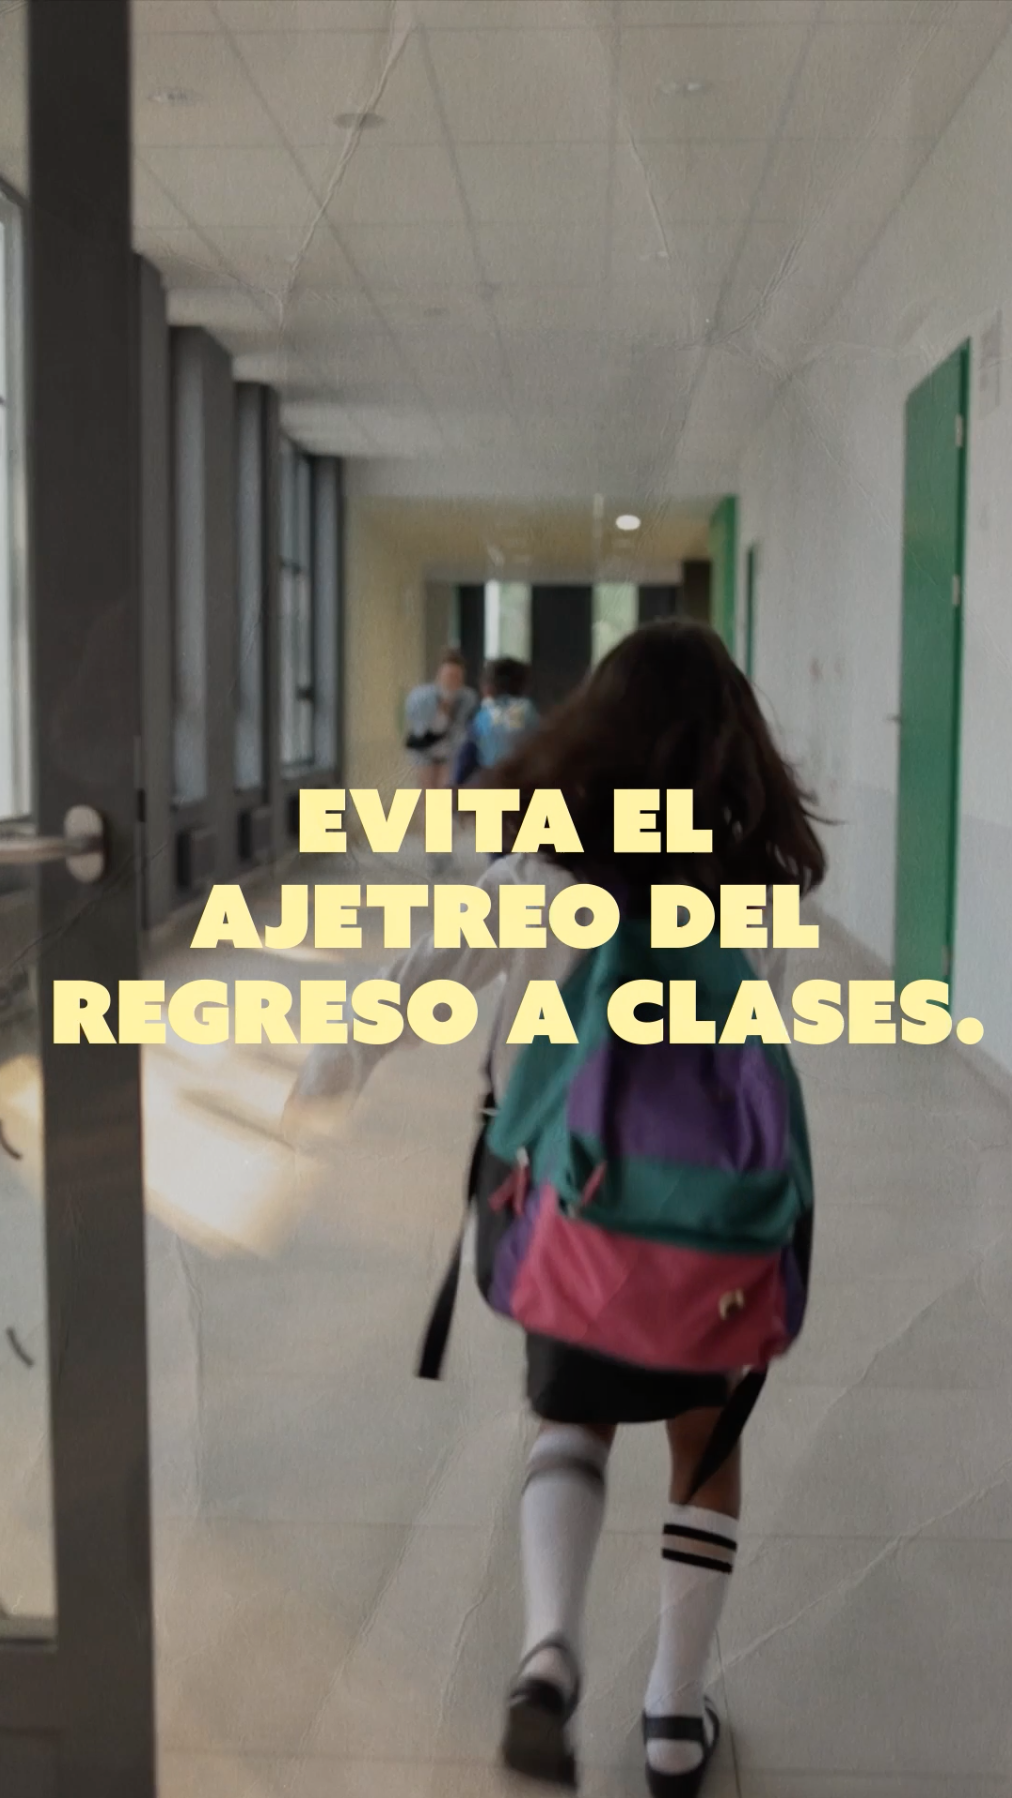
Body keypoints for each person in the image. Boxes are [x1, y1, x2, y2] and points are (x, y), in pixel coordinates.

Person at [286, 622, 826, 1796]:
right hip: (709, 1234)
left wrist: (331, 1067)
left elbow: (420, 977)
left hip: (564, 1213)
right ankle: (674, 1722)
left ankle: (547, 1658)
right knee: (702, 1439)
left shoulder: (535, 875)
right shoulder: (763, 889)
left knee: (569, 1425)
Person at [451, 656, 539, 790]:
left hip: (492, 787)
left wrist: (456, 785)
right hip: (525, 788)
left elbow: (466, 759)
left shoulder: (483, 716)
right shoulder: (530, 713)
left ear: (488, 687)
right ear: (524, 686)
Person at [404, 648, 478, 791]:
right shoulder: (422, 697)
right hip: (424, 750)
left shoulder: (467, 698)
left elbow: (464, 728)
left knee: (445, 790)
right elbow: (421, 731)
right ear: (440, 675)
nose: (453, 681)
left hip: (451, 750)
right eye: (449, 676)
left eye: (457, 677)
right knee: (428, 789)